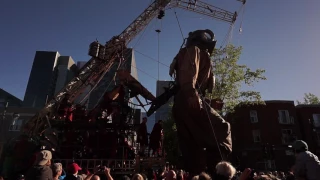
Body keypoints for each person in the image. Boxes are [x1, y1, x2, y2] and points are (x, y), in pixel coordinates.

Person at [169, 29, 232, 175]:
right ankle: (217, 172)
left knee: (191, 145)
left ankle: (197, 175)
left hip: (183, 103)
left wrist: (209, 102)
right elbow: (188, 72)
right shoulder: (195, 50)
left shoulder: (187, 53)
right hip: (188, 99)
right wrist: (191, 94)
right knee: (223, 128)